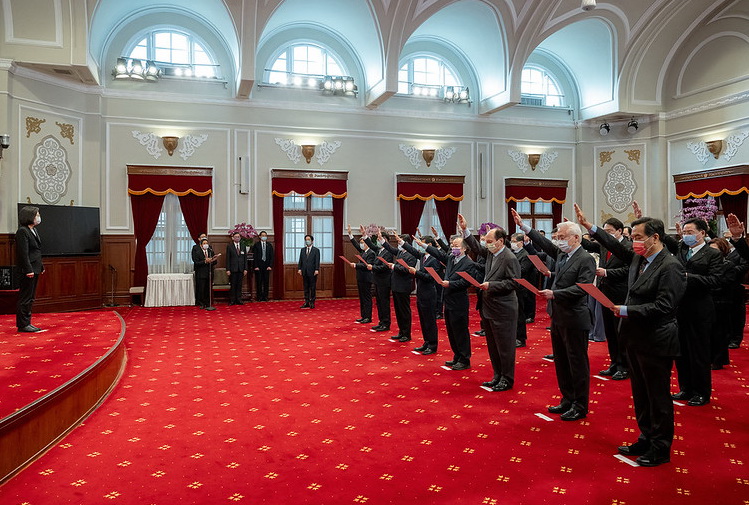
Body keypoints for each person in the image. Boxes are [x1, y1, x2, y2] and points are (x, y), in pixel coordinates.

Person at [576, 203, 686, 467]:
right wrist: (589, 226)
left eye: (638, 237)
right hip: (635, 337)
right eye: (633, 236)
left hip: (657, 339)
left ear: (655, 238)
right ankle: (645, 437)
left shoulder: (670, 266)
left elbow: (665, 306)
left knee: (657, 396)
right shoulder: (639, 258)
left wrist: (626, 310)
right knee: (641, 394)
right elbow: (616, 247)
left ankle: (660, 447)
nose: (634, 241)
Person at [512, 208, 596, 421]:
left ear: (576, 238)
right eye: (557, 237)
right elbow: (544, 243)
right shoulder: (562, 255)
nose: (558, 241)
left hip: (575, 317)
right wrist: (524, 227)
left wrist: (555, 293)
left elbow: (583, 287)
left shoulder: (585, 258)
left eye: (562, 237)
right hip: (558, 316)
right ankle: (567, 398)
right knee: (561, 361)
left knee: (577, 362)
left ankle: (580, 405)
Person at [663, 218, 722, 407]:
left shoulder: (712, 254)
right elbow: (663, 238)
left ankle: (701, 391)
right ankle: (685, 387)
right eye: (684, 232)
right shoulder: (682, 249)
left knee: (699, 353)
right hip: (679, 309)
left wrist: (688, 277)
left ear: (702, 233)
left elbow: (715, 281)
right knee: (681, 352)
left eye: (690, 232)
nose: (686, 236)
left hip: (700, 309)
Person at [461, 215, 520, 391]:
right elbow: (476, 248)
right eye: (486, 241)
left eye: (489, 241)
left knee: (505, 347)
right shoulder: (491, 254)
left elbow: (514, 283)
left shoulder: (509, 258)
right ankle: (497, 375)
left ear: (500, 241)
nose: (487, 244)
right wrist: (465, 230)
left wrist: (491, 285)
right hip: (489, 307)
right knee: (493, 346)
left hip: (504, 309)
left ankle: (507, 379)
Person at [580, 217, 632, 380]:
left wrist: (607, 272)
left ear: (619, 231)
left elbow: (629, 270)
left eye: (609, 231)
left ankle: (624, 366)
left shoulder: (628, 247)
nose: (607, 234)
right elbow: (589, 245)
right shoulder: (604, 245)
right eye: (605, 231)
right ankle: (614, 363)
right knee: (610, 331)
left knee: (620, 332)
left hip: (620, 294)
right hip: (604, 292)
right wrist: (575, 233)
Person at [416, 232, 476, 370]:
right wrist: (424, 245)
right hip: (448, 300)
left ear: (464, 248)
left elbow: (466, 282)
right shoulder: (451, 259)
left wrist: (450, 284)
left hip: (459, 301)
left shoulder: (469, 263)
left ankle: (465, 359)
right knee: (451, 331)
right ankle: (457, 356)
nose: (453, 248)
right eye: (452, 245)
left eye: (457, 246)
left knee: (460, 331)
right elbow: (438, 254)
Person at [401, 235, 442, 354]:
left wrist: (416, 273)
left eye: (422, 244)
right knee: (423, 320)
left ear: (429, 245)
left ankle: (433, 344)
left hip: (429, 293)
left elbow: (430, 277)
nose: (420, 246)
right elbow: (413, 251)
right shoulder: (423, 256)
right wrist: (402, 243)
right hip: (421, 293)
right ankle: (426, 342)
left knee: (430, 320)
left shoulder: (435, 259)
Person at [376, 230, 417, 342]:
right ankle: (401, 332)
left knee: (404, 311)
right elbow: (390, 249)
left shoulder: (412, 255)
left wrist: (394, 266)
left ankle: (406, 334)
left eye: (400, 242)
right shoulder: (400, 252)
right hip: (396, 285)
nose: (398, 244)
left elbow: (407, 270)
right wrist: (382, 240)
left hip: (403, 286)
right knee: (398, 311)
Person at [16, 206, 44, 332]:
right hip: (28, 269)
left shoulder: (33, 230)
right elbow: (23, 253)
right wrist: (28, 269)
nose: (38, 217)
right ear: (29, 216)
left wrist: (40, 266)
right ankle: (23, 324)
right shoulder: (22, 231)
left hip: (35, 267)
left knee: (31, 297)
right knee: (25, 297)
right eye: (36, 215)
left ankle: (27, 322)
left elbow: (36, 251)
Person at [362, 226, 393, 332]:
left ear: (385, 240)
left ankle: (386, 323)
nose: (378, 241)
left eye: (380, 239)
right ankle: (381, 322)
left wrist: (373, 267)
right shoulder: (379, 250)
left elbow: (385, 267)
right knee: (379, 303)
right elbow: (371, 245)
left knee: (384, 303)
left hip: (384, 281)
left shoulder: (388, 251)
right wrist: (364, 235)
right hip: (377, 280)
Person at [510, 232, 535, 346]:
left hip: (521, 288)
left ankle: (520, 338)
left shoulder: (525, 255)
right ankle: (513, 336)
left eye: (514, 241)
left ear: (521, 243)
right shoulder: (512, 253)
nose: (512, 244)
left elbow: (523, 270)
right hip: (513, 287)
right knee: (513, 314)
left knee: (520, 315)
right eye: (511, 241)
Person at [348, 225, 375, 323]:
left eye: (362, 243)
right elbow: (355, 244)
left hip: (367, 278)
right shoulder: (363, 252)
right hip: (360, 277)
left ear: (367, 243)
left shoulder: (371, 253)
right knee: (362, 298)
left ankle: (368, 317)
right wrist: (350, 234)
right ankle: (363, 316)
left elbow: (367, 265)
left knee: (367, 298)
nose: (361, 244)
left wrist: (356, 265)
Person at [193, 237, 219, 309]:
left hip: (209, 273)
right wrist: (205, 261)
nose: (206, 245)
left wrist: (212, 260)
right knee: (201, 289)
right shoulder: (198, 252)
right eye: (204, 243)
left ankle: (207, 303)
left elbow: (215, 262)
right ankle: (201, 303)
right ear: (201, 245)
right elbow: (196, 262)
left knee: (208, 289)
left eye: (206, 243)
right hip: (201, 273)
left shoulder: (210, 251)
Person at [297, 234, 320, 309]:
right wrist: (299, 268)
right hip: (304, 271)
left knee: (312, 287)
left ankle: (312, 302)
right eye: (306, 240)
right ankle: (306, 302)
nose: (307, 241)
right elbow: (300, 260)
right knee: (306, 287)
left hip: (313, 271)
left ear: (312, 241)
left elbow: (317, 261)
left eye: (308, 240)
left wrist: (317, 269)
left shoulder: (316, 250)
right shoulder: (302, 250)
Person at [225, 232, 248, 305]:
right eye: (236, 237)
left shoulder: (243, 246)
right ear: (233, 238)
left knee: (239, 285)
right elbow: (228, 259)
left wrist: (245, 269)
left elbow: (245, 258)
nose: (237, 238)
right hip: (233, 269)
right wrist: (228, 269)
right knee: (233, 285)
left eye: (238, 237)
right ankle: (232, 300)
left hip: (241, 269)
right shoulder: (230, 246)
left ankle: (239, 299)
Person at [252, 231, 274, 301]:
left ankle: (265, 296)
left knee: (266, 282)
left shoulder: (269, 245)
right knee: (259, 282)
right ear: (260, 236)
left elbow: (272, 256)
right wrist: (255, 266)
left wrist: (270, 266)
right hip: (258, 266)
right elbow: (254, 256)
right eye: (263, 235)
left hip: (267, 267)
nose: (264, 237)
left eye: (265, 235)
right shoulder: (256, 245)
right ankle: (259, 297)